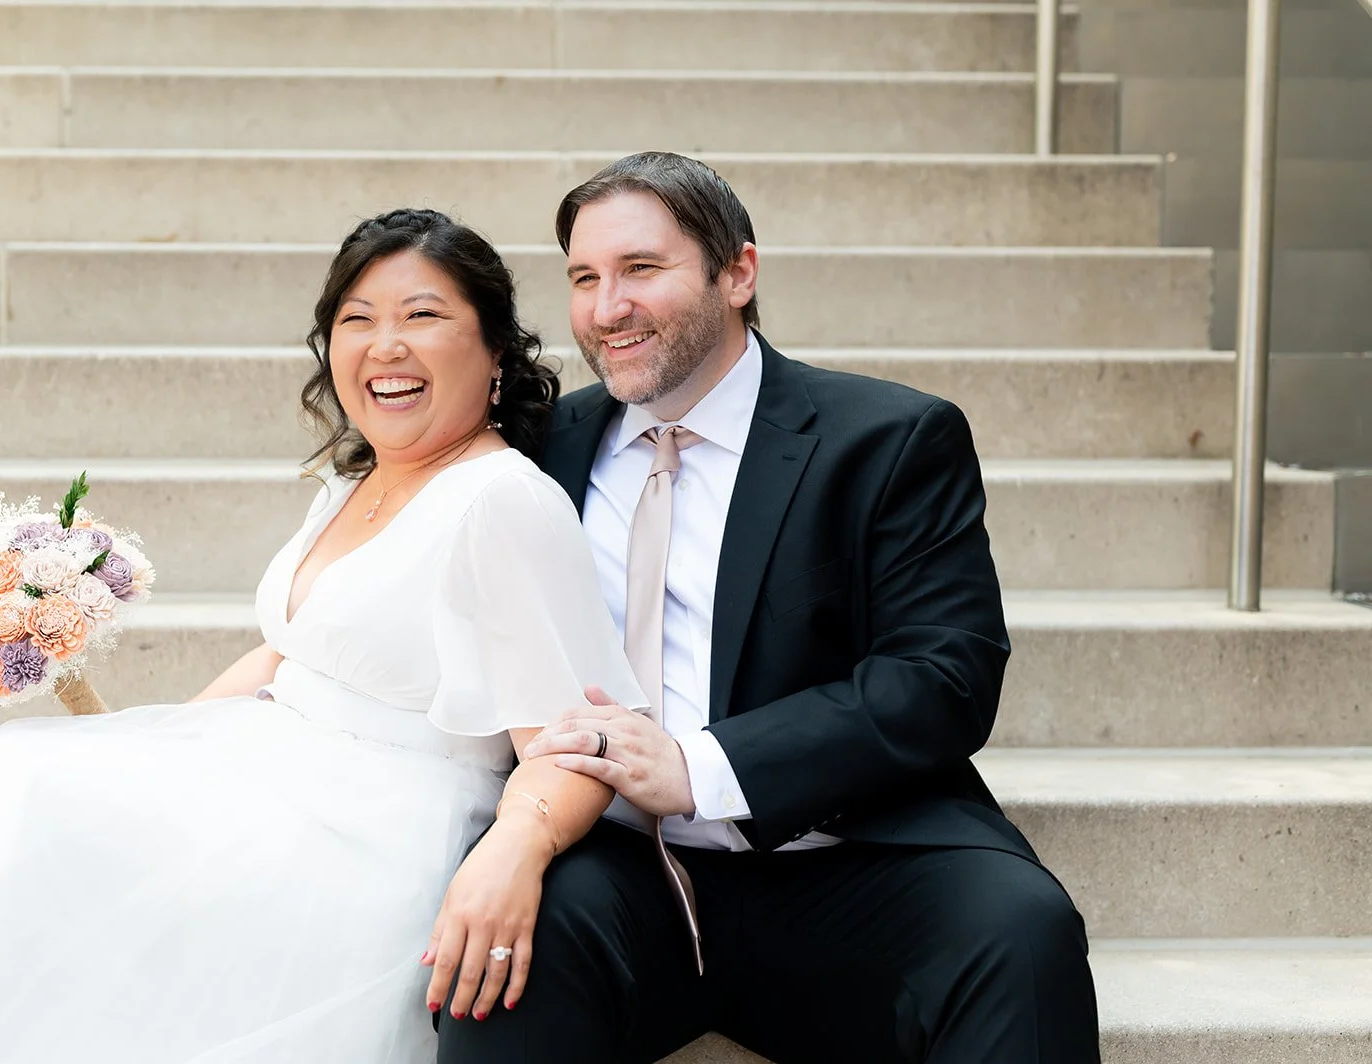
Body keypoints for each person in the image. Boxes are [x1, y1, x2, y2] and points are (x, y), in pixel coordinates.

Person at [0, 209, 648, 1063]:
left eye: (423, 316)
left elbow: (574, 740)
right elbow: (288, 653)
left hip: (368, 833)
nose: (386, 346)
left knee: (26, 807)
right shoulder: (356, 485)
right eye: (357, 320)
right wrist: (154, 753)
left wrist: (514, 854)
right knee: (32, 784)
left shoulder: (501, 501)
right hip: (280, 774)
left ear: (495, 352)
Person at [436, 152, 1101, 1063]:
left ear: (738, 272)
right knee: (503, 951)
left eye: (641, 269)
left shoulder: (890, 438)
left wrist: (702, 769)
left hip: (843, 857)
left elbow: (942, 678)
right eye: (584, 279)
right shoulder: (541, 446)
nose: (605, 308)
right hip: (620, 866)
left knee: (1020, 934)